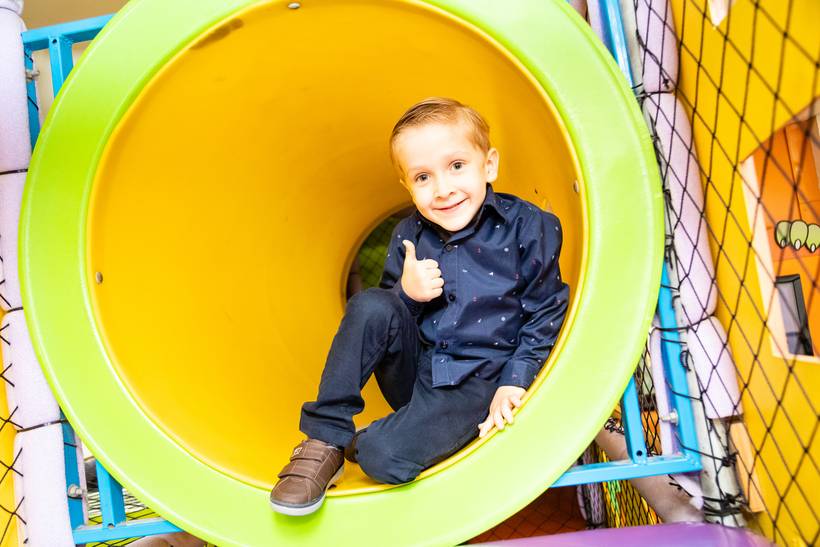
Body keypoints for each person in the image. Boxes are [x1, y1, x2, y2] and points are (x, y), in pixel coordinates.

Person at [269, 97, 569, 516]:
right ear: (408, 187)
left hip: (478, 382)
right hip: (420, 371)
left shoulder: (528, 226)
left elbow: (548, 309)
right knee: (373, 304)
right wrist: (406, 296)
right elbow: (387, 327)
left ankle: (380, 438)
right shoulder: (409, 234)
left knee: (381, 456)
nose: (443, 189)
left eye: (457, 166)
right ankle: (326, 440)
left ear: (490, 165)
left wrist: (514, 381)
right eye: (423, 176)